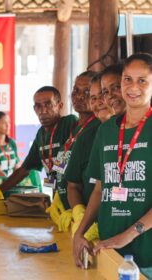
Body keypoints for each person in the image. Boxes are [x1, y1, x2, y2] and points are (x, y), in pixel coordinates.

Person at [73, 53, 152, 279]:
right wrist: (80, 233)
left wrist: (128, 235)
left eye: (142, 80)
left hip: (147, 256)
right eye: (127, 79)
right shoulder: (106, 131)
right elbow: (100, 188)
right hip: (110, 252)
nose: (133, 87)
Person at [0, 86, 77, 207]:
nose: (43, 110)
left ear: (60, 105)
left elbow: (70, 158)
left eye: (48, 104)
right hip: (59, 199)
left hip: (77, 201)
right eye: (38, 106)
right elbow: (24, 170)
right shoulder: (41, 135)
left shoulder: (69, 123)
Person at [64, 71, 116, 240]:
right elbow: (90, 188)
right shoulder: (89, 136)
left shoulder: (140, 131)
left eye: (104, 94)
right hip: (98, 232)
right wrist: (81, 217)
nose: (98, 102)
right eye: (92, 98)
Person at [51, 71, 100, 232]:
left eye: (86, 92)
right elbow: (61, 166)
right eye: (75, 90)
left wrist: (80, 213)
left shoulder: (97, 127)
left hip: (87, 217)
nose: (79, 96)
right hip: (68, 212)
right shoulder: (74, 128)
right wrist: (58, 193)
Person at [0, 111, 41, 189]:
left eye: (8, 122)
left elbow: (17, 164)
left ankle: (38, 198)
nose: (8, 125)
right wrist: (13, 181)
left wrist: (18, 174)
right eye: (4, 123)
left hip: (11, 179)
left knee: (33, 172)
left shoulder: (11, 143)